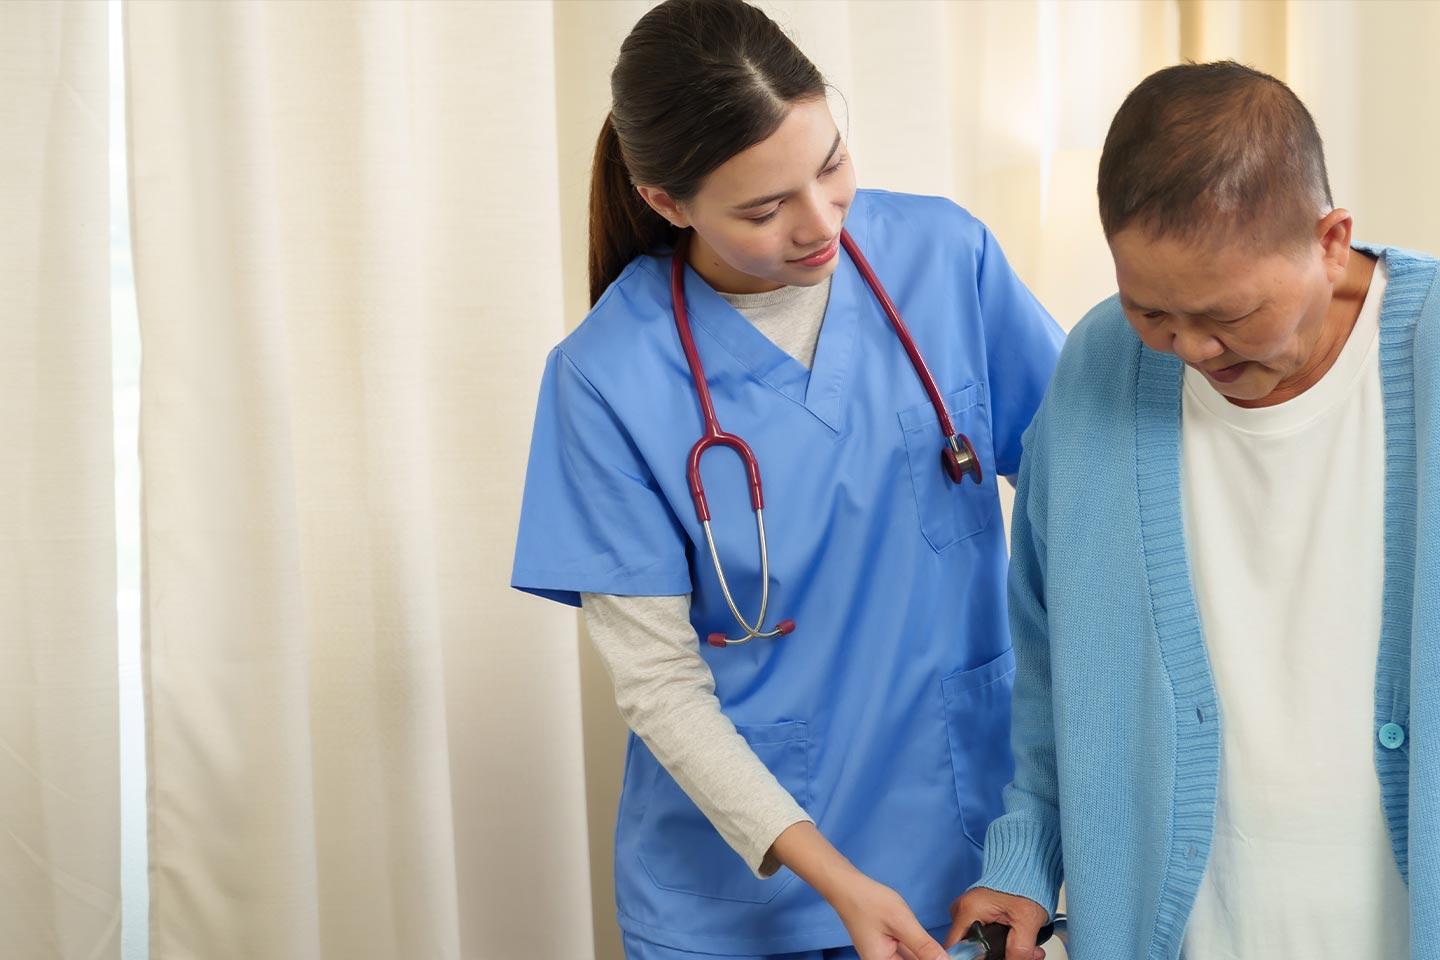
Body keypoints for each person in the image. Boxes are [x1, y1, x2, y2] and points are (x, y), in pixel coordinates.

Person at [510, 1, 1063, 958]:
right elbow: (658, 686)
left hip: (959, 852)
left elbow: (1082, 495)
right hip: (737, 901)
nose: (820, 223)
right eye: (764, 210)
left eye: (831, 165)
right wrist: (837, 880)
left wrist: (1042, 827)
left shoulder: (945, 258)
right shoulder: (604, 378)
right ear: (667, 202)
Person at [948, 60, 1439, 960]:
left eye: (1228, 314)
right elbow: (1052, 663)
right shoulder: (1099, 366)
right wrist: (1025, 861)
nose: (1191, 347)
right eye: (1151, 310)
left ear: (1331, 240)